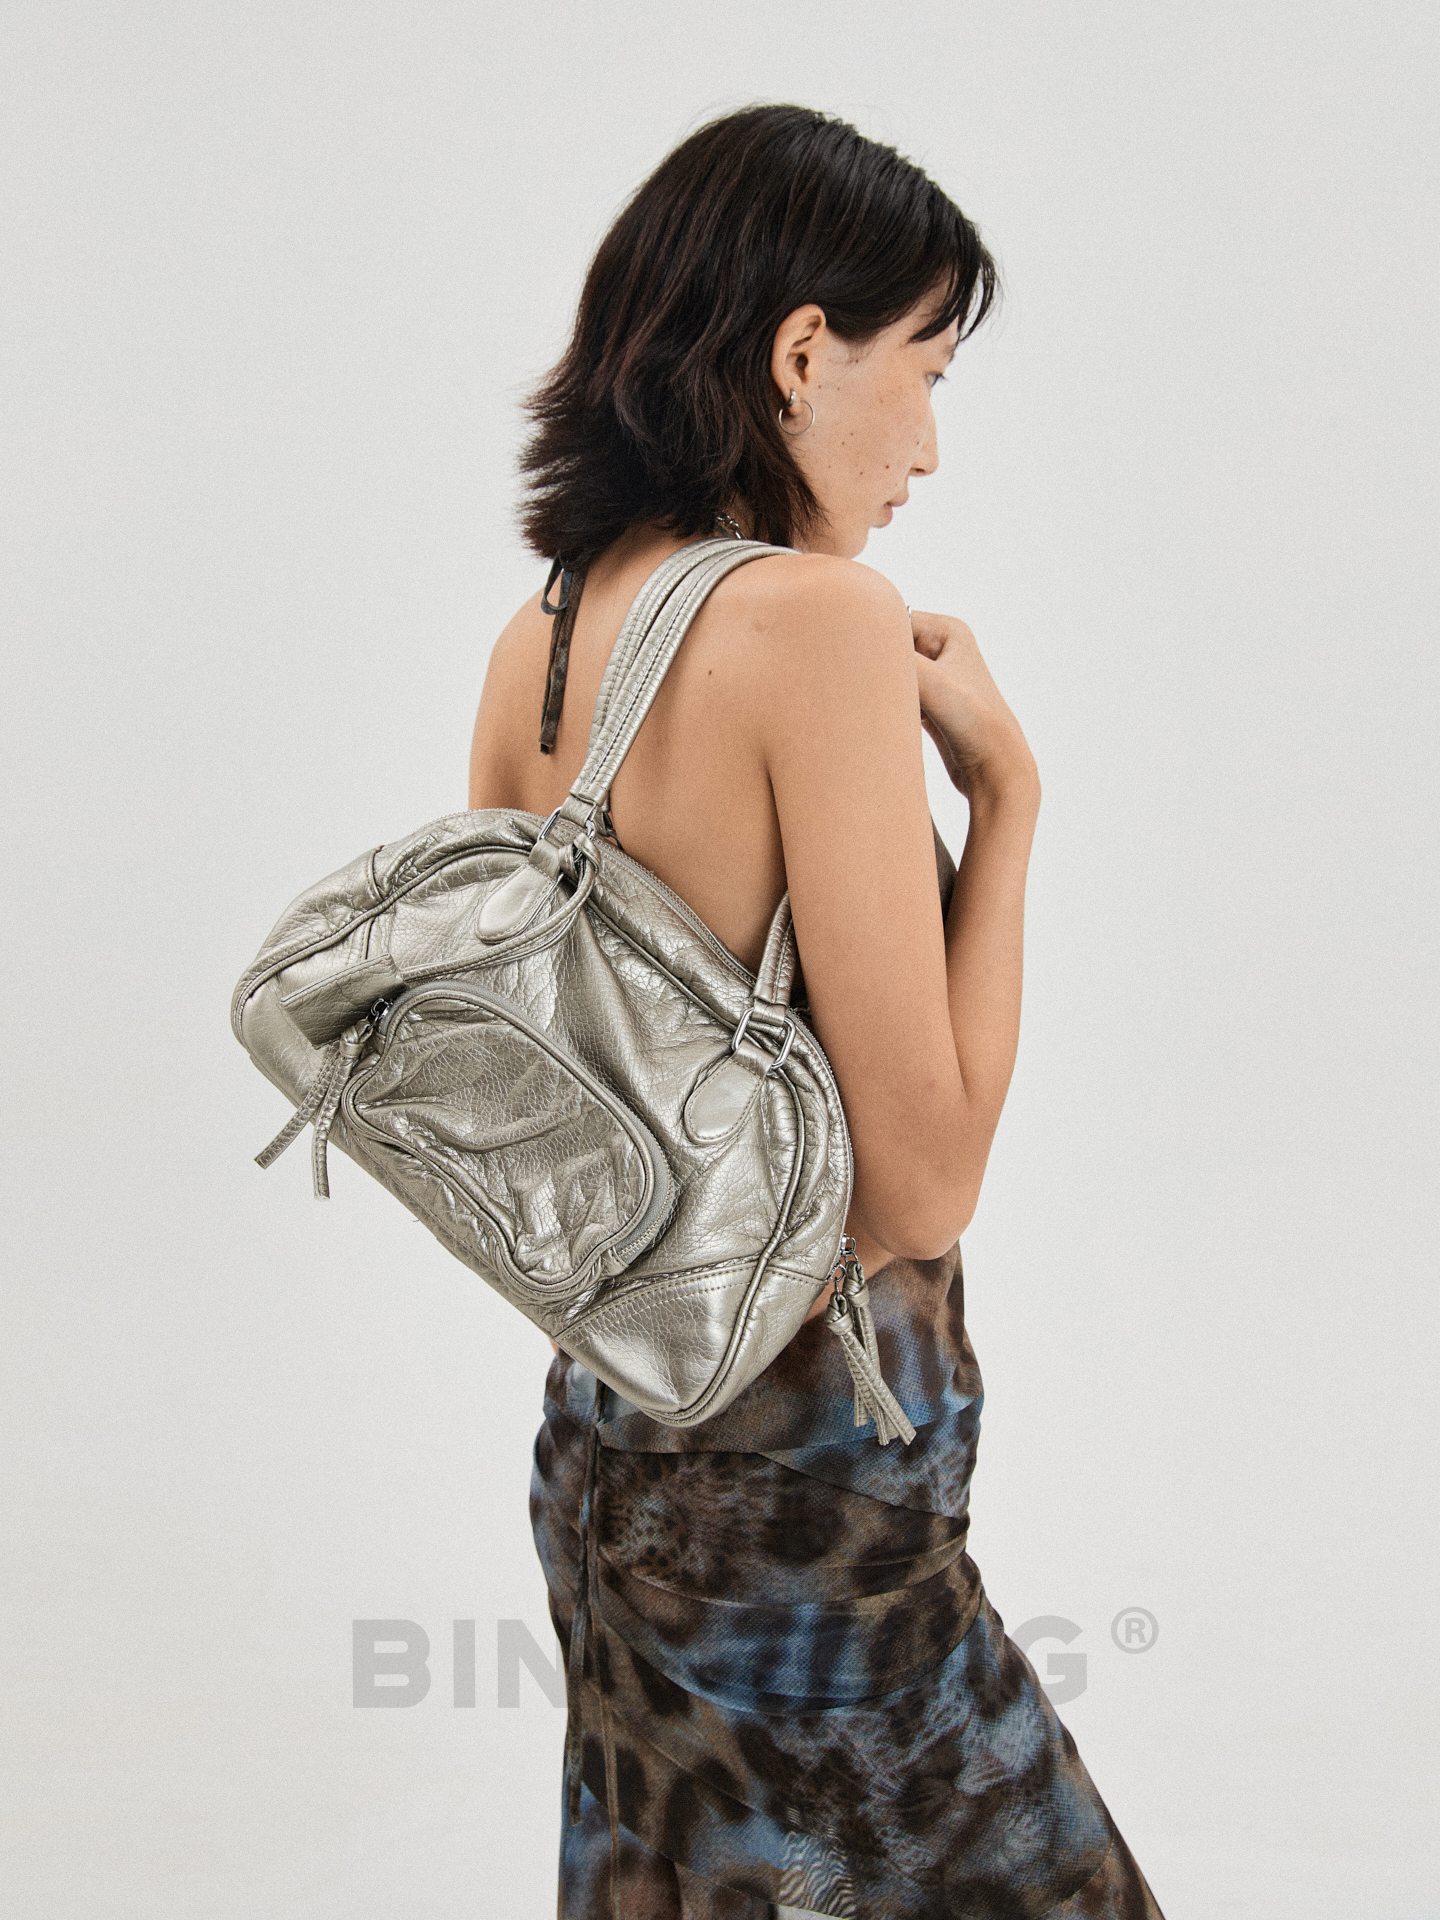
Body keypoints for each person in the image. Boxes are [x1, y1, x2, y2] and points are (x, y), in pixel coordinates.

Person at [468, 104, 1164, 1920]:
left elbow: (540, 1137)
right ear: (799, 354)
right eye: (922, 369)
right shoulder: (821, 623)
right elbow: (920, 1188)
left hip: (608, 1468)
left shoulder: (543, 639)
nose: (928, 442)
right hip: (813, 1520)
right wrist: (1008, 798)